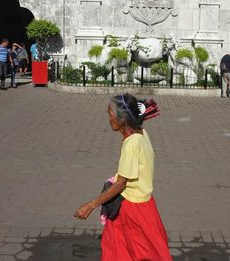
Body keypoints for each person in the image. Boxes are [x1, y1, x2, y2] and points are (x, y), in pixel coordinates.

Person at [74, 94, 172, 261]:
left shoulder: (131, 144)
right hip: (145, 205)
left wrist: (90, 205)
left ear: (122, 119)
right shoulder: (141, 134)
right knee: (123, 250)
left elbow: (121, 184)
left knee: (133, 254)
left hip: (131, 211)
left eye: (110, 113)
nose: (108, 118)